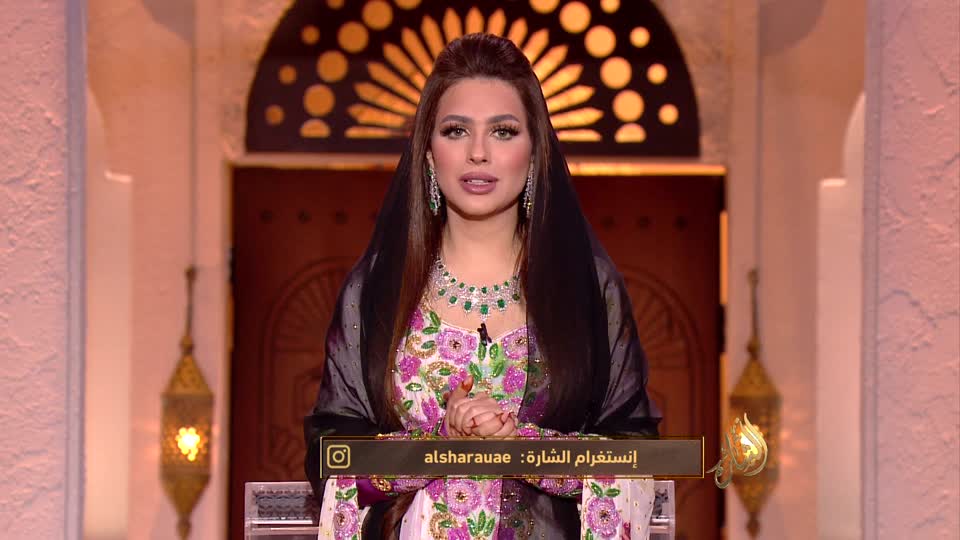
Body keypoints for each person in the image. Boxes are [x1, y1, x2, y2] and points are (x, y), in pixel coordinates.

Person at [304, 33, 661, 539]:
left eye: (503, 131)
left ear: (534, 153)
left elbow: (635, 452)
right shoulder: (377, 292)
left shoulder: (588, 292)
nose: (477, 153)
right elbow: (330, 455)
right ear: (429, 155)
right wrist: (438, 445)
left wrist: (523, 449)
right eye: (455, 131)